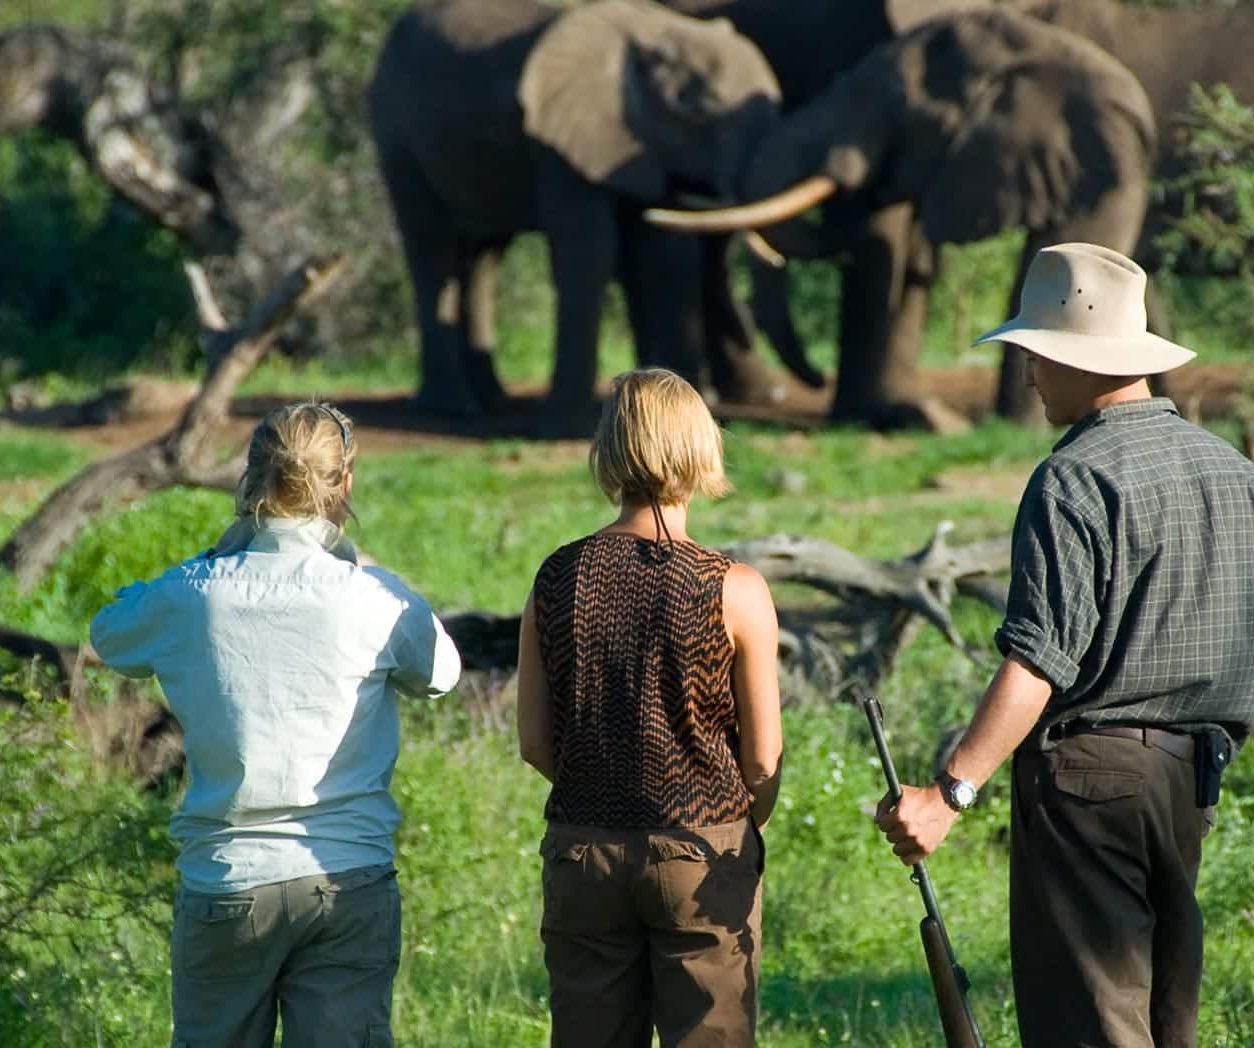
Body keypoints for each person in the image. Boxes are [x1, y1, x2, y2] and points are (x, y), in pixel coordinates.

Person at [874, 243, 1254, 1048]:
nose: (1028, 375)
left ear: (1076, 357)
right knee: (1164, 1019)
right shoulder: (1234, 469)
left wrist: (948, 796)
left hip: (1088, 783)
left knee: (1093, 1024)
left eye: (1036, 354)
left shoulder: (1072, 478)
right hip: (1192, 781)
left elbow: (1039, 662)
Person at [91, 401, 461, 1048]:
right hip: (347, 878)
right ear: (345, 483)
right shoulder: (368, 599)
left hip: (227, 877)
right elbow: (443, 670)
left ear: (250, 476)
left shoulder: (194, 592)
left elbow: (110, 635)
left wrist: (214, 554)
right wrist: (364, 562)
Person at [517, 368, 783, 1048]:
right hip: (702, 847)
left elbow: (534, 744)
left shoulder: (555, 576)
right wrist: (737, 830)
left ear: (609, 451)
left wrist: (608, 796)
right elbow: (762, 756)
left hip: (583, 851)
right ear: (700, 449)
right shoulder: (734, 587)